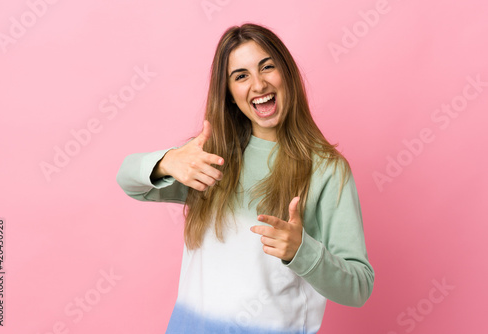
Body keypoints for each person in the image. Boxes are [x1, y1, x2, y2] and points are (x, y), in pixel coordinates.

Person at [116, 23, 374, 334]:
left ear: (287, 74)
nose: (259, 84)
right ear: (229, 94)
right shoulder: (210, 158)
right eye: (241, 76)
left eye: (268, 67)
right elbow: (128, 180)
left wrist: (300, 250)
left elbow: (358, 287)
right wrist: (167, 162)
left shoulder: (326, 169)